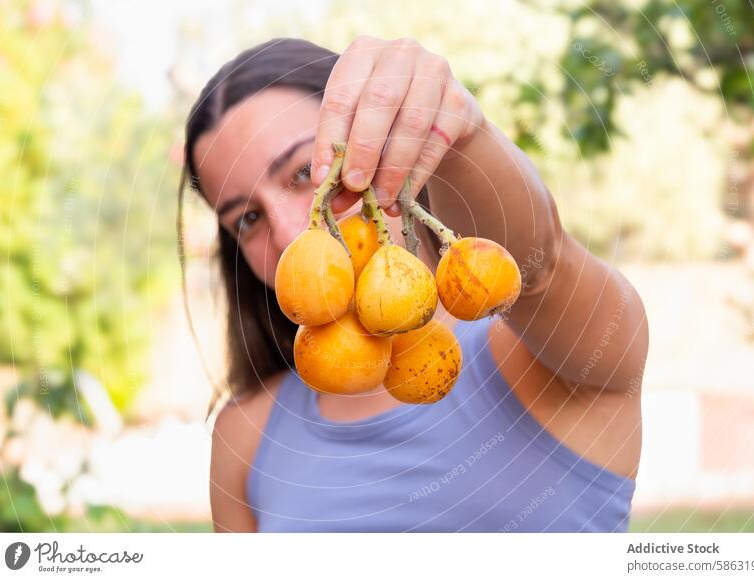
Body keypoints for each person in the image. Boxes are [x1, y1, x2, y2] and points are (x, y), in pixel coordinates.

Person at [178, 36, 649, 532]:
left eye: (302, 172)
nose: (292, 230)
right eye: (248, 217)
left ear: (385, 141)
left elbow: (538, 267)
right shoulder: (243, 440)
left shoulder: (551, 353)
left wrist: (462, 133)